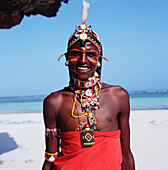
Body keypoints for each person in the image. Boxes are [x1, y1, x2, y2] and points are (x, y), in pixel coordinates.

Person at [42, 2, 135, 170]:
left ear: (100, 60)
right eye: (76, 54)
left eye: (91, 55)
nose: (83, 61)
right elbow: (50, 158)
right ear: (66, 59)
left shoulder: (118, 96)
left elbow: (126, 154)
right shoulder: (54, 102)